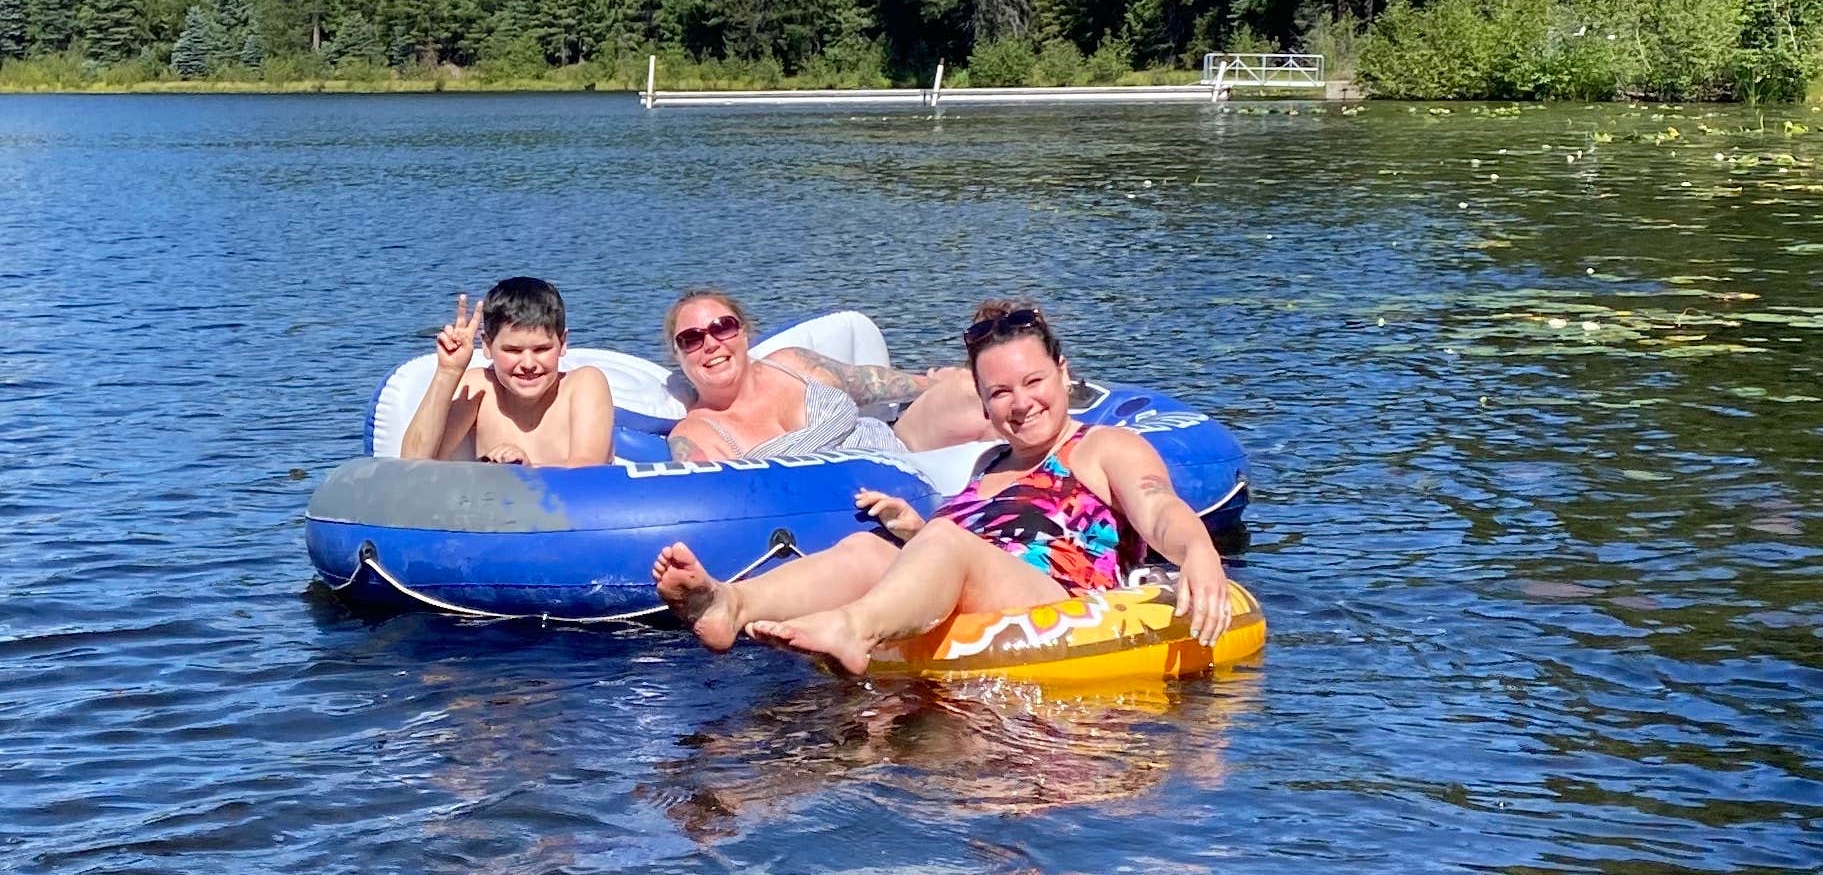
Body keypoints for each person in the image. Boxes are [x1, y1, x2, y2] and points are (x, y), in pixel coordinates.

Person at [653, 299, 1231, 674]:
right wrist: (915, 529)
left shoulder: (1102, 447)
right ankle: (729, 603)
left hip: (1060, 601)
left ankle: (853, 627)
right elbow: (977, 554)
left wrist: (1199, 550)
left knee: (946, 544)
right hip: (982, 593)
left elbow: (1157, 507)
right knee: (866, 548)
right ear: (983, 400)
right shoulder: (989, 468)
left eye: (1033, 381)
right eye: (1000, 392)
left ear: (1062, 371)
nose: (1021, 403)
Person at [661, 288, 994, 461]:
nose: (710, 343)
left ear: (745, 331)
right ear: (678, 356)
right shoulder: (695, 435)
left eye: (723, 327)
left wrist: (935, 383)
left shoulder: (791, 363)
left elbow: (872, 385)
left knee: (971, 392)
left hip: (900, 451)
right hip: (839, 505)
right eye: (691, 339)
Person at [400, 276, 615, 466]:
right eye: (513, 350)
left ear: (563, 343)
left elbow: (589, 468)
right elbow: (412, 464)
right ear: (487, 345)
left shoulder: (583, 385)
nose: (528, 363)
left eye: (541, 349)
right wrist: (448, 372)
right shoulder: (478, 390)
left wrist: (526, 470)